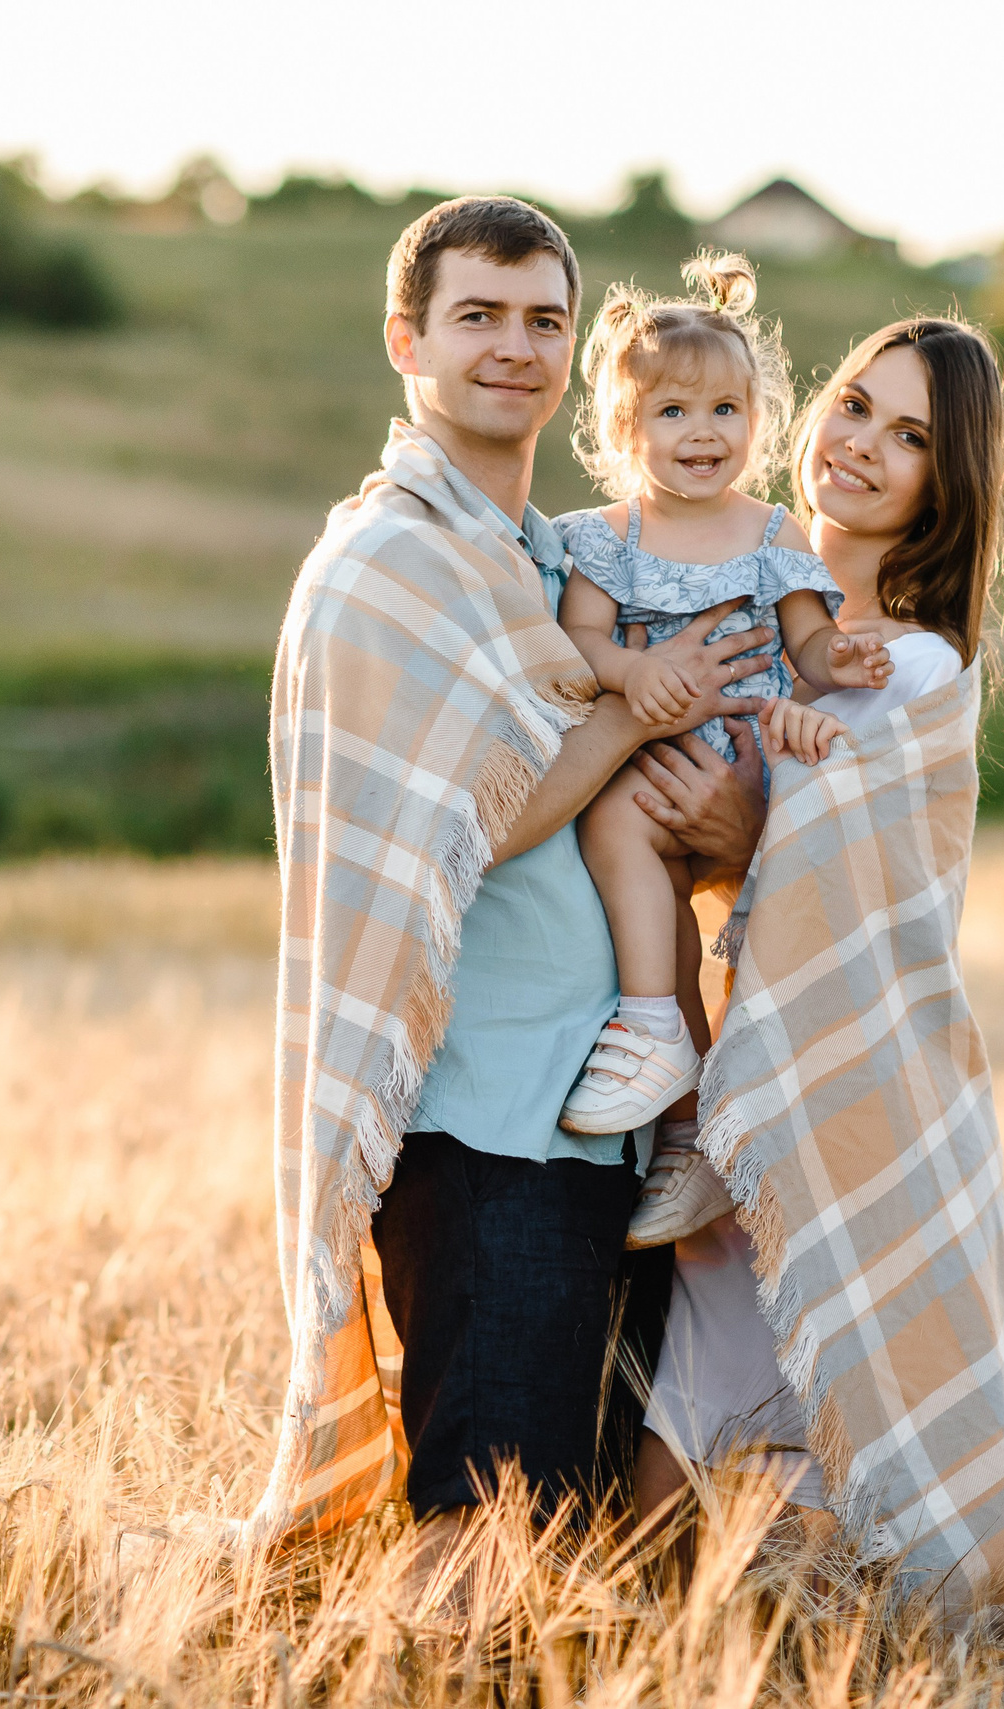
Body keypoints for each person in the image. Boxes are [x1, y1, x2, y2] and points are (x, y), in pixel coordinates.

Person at [248, 197, 776, 1565]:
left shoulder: (552, 563)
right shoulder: (388, 567)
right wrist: (637, 715)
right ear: (404, 339)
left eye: (545, 318)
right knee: (487, 1539)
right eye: (477, 315)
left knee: (591, 1552)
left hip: (603, 1125)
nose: (516, 346)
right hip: (485, 1136)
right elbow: (457, 832)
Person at [634, 319, 1004, 1624]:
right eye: (858, 406)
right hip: (712, 1132)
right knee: (645, 1564)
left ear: (947, 482)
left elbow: (872, 893)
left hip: (830, 1135)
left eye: (912, 436)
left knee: (818, 1576)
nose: (863, 444)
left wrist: (746, 837)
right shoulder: (749, 610)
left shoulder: (912, 672)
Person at [548, 257, 890, 1161]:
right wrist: (630, 671)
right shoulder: (605, 539)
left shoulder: (772, 531)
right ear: (626, 429)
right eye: (673, 412)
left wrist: (841, 655)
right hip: (654, 761)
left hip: (752, 762)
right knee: (625, 853)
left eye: (724, 411)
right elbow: (580, 637)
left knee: (743, 957)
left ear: (756, 419)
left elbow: (810, 641)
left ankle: (728, 1098)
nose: (703, 433)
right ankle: (671, 1076)